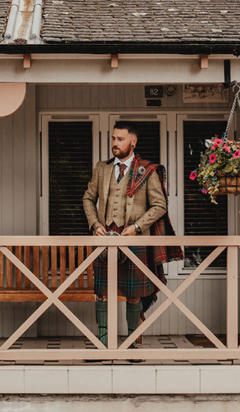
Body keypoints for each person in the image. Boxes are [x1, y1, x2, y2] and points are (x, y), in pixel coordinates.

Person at [82, 121, 183, 347]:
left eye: (120, 139)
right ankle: (103, 343)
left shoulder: (146, 170)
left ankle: (131, 345)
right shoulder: (102, 168)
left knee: (134, 294)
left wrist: (137, 227)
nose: (114, 143)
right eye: (113, 138)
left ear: (133, 142)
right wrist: (95, 224)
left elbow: (159, 206)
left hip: (133, 238)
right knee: (102, 293)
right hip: (105, 237)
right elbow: (88, 198)